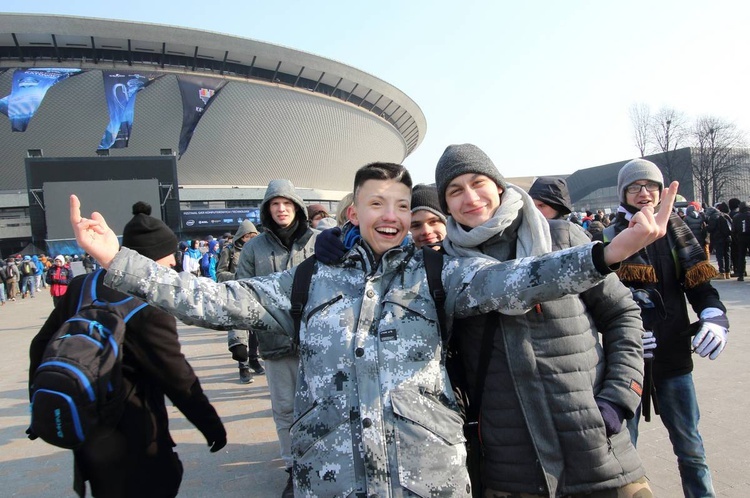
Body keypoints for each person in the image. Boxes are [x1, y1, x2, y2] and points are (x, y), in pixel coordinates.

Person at [70, 159, 675, 498]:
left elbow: (521, 280)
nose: (389, 215)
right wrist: (120, 262)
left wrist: (606, 253)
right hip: (332, 481)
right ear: (352, 212)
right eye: (374, 203)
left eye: (399, 204)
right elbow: (213, 299)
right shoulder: (306, 282)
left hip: (429, 481)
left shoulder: (442, 274)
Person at [432, 144, 653, 497]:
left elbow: (621, 313)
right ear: (445, 205)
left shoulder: (561, 238)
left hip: (601, 457)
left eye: (478, 182)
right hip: (511, 470)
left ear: (499, 186)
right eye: (455, 191)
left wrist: (618, 400)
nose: (470, 197)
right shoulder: (444, 268)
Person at [32, 207, 226, 498]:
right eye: (168, 254)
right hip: (136, 436)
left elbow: (40, 346)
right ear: (149, 259)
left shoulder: (81, 286)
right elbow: (176, 375)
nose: (174, 261)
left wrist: (44, 404)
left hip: (89, 430)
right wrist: (210, 425)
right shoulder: (148, 306)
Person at [607, 158, 727, 498]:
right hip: (625, 364)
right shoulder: (606, 237)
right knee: (620, 452)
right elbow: (595, 303)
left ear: (661, 192)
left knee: (691, 448)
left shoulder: (679, 234)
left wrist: (715, 315)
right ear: (624, 193)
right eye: (635, 187)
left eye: (651, 186)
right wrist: (621, 336)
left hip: (674, 356)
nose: (644, 193)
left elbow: (701, 288)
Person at [235, 179, 318, 498]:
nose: (281, 209)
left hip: (318, 342)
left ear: (297, 206)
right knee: (285, 409)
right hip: (274, 343)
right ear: (267, 209)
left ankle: (324, 462)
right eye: (274, 204)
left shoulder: (318, 242)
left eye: (286, 203)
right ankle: (294, 468)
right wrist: (237, 340)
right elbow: (240, 295)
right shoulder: (254, 248)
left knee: (321, 405)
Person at [216, 219, 265, 383]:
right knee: (240, 332)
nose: (250, 239)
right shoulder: (228, 251)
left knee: (255, 332)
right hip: (236, 295)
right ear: (240, 237)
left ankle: (254, 360)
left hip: (255, 295)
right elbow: (220, 273)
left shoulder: (258, 250)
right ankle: (243, 368)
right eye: (247, 236)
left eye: (253, 236)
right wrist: (238, 277)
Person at [409, 184, 447, 249]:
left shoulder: (467, 256)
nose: (426, 231)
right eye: (416, 225)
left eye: (433, 221)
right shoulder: (397, 258)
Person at [707, 202, 732, 279]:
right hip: (727, 238)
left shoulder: (713, 217)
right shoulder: (725, 215)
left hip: (718, 238)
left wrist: (706, 227)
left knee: (720, 255)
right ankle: (728, 272)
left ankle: (722, 272)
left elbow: (711, 229)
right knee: (727, 254)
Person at [732, 202, 750, 281]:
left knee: (741, 256)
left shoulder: (736, 217)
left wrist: (736, 239)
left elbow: (733, 230)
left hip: (741, 238)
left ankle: (741, 275)